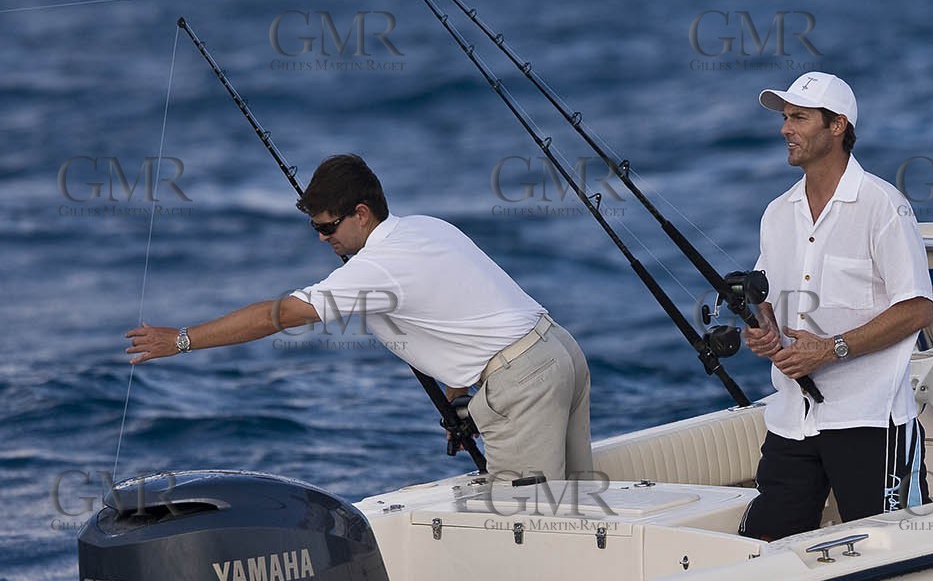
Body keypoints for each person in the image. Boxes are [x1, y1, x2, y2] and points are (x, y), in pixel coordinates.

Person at [124, 153, 592, 482]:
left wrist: (181, 340)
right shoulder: (426, 227)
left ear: (361, 214)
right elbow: (465, 312)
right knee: (576, 504)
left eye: (327, 227)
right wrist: (458, 396)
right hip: (559, 353)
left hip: (524, 382)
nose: (322, 239)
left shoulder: (374, 268)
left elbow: (279, 316)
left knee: (526, 529)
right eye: (315, 228)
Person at [741, 72, 933, 542]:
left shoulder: (883, 205)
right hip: (793, 419)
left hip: (872, 422)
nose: (786, 129)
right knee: (765, 550)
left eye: (799, 118)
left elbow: (917, 308)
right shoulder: (776, 212)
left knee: (899, 553)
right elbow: (766, 296)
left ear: (837, 126)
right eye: (786, 118)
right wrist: (763, 327)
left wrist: (830, 350)